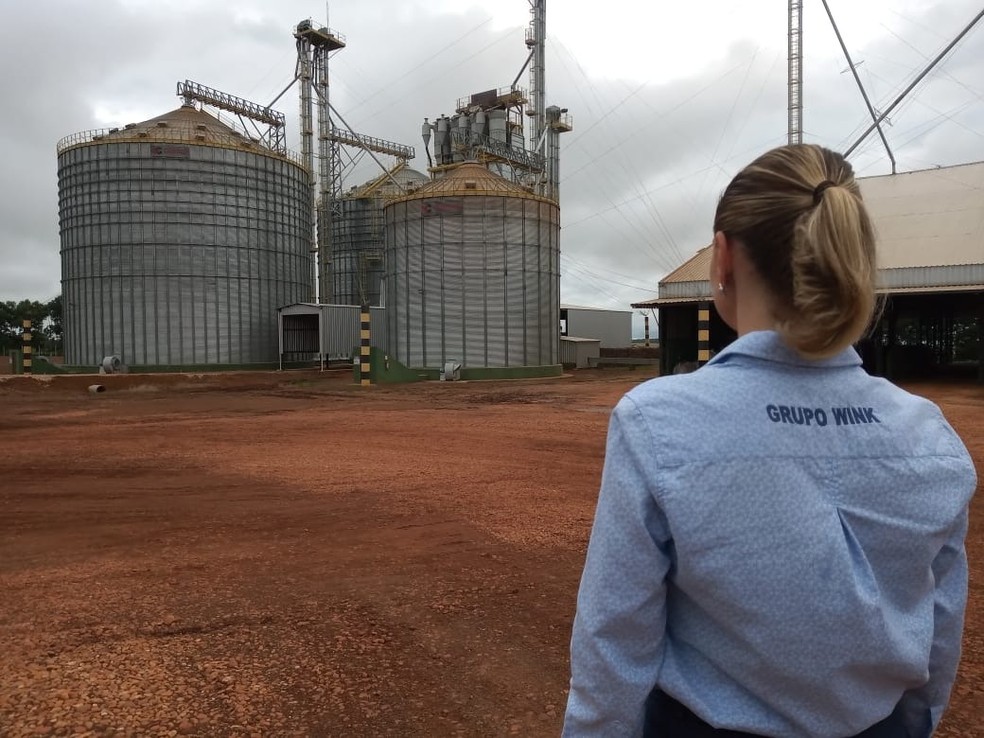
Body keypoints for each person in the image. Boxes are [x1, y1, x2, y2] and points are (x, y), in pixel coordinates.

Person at [562, 144, 977, 738]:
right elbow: (939, 629)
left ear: (723, 258)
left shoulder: (658, 421)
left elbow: (615, 637)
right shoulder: (930, 433)